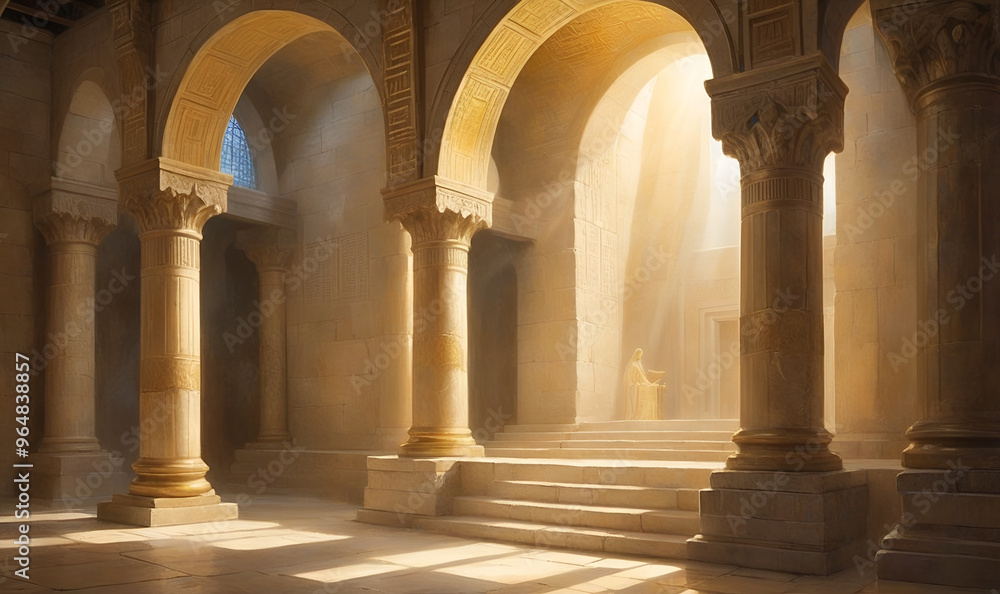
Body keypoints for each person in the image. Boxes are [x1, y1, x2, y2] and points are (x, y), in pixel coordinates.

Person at [623, 348, 665, 420]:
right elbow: (632, 378)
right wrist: (637, 383)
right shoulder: (633, 365)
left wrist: (645, 383)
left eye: (641, 355)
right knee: (648, 388)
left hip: (640, 383)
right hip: (635, 385)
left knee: (651, 387)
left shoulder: (638, 365)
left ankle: (648, 416)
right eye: (639, 355)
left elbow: (641, 377)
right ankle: (641, 415)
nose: (640, 356)